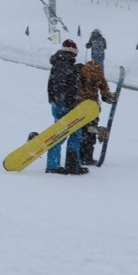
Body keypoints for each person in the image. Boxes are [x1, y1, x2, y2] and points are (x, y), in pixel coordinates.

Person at [46, 39, 86, 175]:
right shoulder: (64, 63)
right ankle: (55, 165)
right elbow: (61, 86)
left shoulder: (62, 62)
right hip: (64, 105)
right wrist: (69, 103)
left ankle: (71, 163)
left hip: (60, 103)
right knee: (63, 134)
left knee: (72, 133)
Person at [78, 60, 115, 165]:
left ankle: (86, 156)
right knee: (85, 133)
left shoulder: (99, 76)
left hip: (93, 109)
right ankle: (82, 156)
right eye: (91, 79)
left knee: (89, 135)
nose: (93, 80)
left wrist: (109, 97)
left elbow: (104, 91)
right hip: (82, 108)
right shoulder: (80, 76)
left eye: (96, 79)